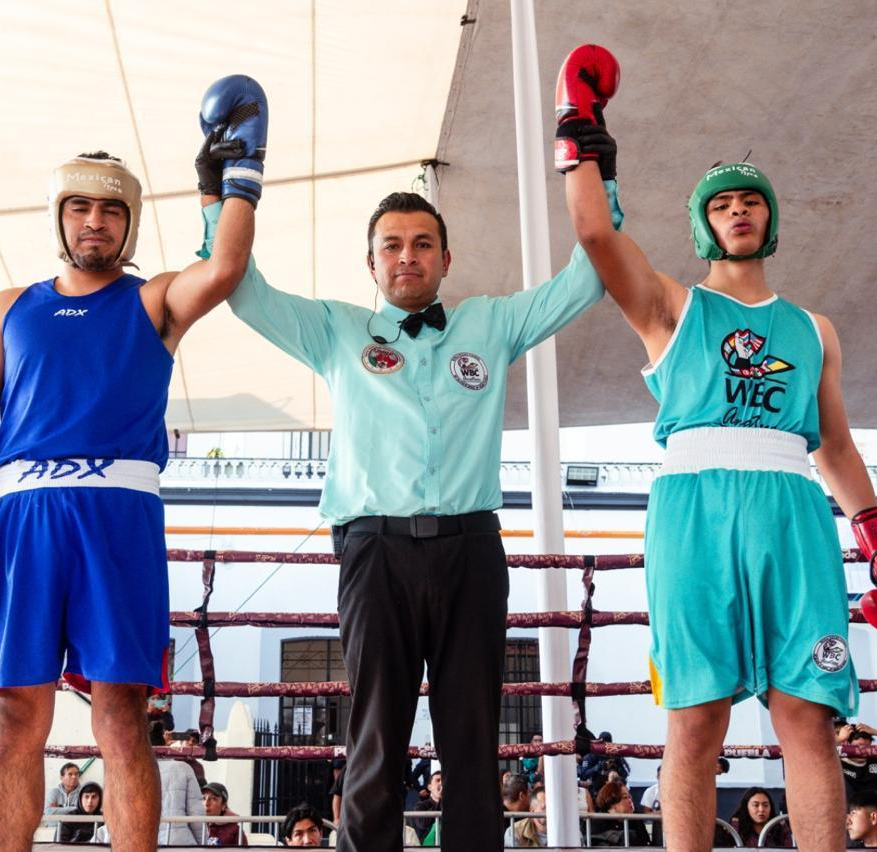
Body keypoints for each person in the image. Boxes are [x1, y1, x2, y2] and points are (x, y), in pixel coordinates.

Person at [558, 42, 877, 852]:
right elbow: (594, 233)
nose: (738, 212)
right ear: (705, 224)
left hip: (794, 508)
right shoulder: (671, 308)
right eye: (723, 203)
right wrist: (580, 130)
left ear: (770, 220)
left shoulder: (813, 330)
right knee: (695, 721)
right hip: (695, 508)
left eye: (751, 201)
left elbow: (835, 445)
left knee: (809, 718)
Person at [0, 74, 263, 852]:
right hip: (21, 517)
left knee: (122, 715)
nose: (96, 221)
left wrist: (232, 179)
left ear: (129, 224)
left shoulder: (153, 300)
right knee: (14, 714)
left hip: (117, 517)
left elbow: (224, 268)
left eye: (112, 210)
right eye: (81, 207)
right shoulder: (10, 306)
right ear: (60, 217)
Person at [227, 117, 612, 852]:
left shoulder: (491, 324)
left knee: (473, 738)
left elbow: (588, 276)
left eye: (423, 243)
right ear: (371, 263)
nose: (408, 256)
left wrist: (593, 165)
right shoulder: (337, 330)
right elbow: (243, 291)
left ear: (446, 258)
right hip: (375, 551)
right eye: (392, 245)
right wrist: (228, 187)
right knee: (375, 737)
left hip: (471, 550)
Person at [153, 721, 206, 845]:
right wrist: (202, 844)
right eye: (188, 739)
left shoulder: (193, 767)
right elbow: (196, 812)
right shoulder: (182, 767)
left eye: (195, 741)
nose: (191, 743)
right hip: (176, 841)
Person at [590, 776, 651, 847]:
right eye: (625, 797)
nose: (630, 800)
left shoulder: (636, 818)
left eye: (630, 797)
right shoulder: (598, 820)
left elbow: (645, 843)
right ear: (611, 802)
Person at [202, 781, 248, 846]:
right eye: (203, 798)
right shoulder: (194, 825)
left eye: (213, 798)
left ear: (223, 805)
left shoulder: (235, 831)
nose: (206, 803)